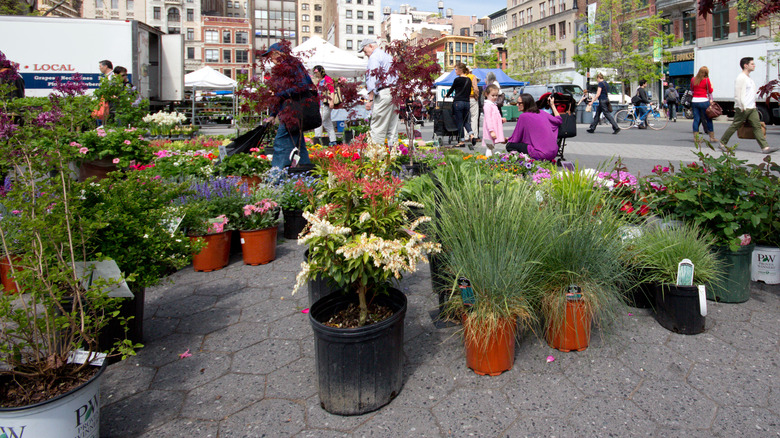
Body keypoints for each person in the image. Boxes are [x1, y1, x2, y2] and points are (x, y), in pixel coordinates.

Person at [261, 42, 318, 169]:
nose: (270, 59)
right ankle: (306, 176)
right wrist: (272, 115)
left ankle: (275, 178)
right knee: (299, 145)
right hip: (289, 112)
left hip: (293, 112)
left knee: (281, 144)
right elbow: (278, 96)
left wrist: (281, 94)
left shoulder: (292, 64)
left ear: (278, 53)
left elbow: (303, 85)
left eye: (271, 55)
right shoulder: (281, 69)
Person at [721, 57, 779, 154]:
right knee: (735, 125)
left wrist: (753, 105)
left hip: (751, 107)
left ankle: (765, 148)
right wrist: (741, 106)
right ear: (745, 65)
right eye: (752, 64)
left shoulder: (749, 78)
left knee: (757, 126)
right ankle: (722, 142)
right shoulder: (741, 78)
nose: (754, 65)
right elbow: (738, 94)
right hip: (743, 107)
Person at [360, 38, 399, 146]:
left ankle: (376, 157)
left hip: (384, 93)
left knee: (378, 127)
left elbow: (372, 79)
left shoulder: (374, 57)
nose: (365, 54)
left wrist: (370, 99)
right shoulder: (388, 56)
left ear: (371, 46)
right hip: (394, 92)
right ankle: (394, 156)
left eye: (365, 51)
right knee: (392, 127)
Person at [506, 93, 562, 162]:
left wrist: (507, 139)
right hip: (553, 152)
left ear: (526, 103)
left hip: (541, 154)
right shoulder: (541, 112)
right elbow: (559, 120)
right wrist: (552, 105)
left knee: (509, 145)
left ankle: (523, 164)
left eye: (519, 103)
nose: (517, 105)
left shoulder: (523, 116)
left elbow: (515, 138)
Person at [444, 63, 475, 149]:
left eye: (456, 69)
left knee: (460, 122)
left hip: (458, 102)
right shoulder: (469, 80)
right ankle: (471, 135)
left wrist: (447, 95)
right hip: (467, 102)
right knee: (466, 121)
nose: (455, 71)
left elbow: (452, 89)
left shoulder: (457, 80)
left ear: (460, 70)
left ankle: (461, 141)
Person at [690, 66, 718, 145]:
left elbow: (691, 89)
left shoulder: (693, 79)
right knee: (708, 118)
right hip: (704, 101)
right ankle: (711, 137)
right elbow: (710, 90)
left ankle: (696, 138)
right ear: (706, 73)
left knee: (696, 119)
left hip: (695, 101)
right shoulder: (706, 80)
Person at [312, 65, 337, 146]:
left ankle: (317, 139)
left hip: (326, 104)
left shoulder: (327, 79)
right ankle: (333, 141)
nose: (316, 74)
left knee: (319, 121)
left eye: (317, 72)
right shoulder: (320, 81)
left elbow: (332, 91)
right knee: (327, 123)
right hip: (322, 104)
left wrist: (331, 101)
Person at [481, 84, 506, 157]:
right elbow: (488, 119)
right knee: (490, 146)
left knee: (491, 146)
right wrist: (491, 131)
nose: (495, 97)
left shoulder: (492, 104)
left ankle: (490, 159)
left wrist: (501, 120)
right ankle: (488, 159)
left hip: (492, 129)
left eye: (496, 95)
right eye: (493, 95)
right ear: (486, 94)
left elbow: (494, 117)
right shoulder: (488, 105)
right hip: (490, 130)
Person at [466, 66, 480, 143]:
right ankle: (474, 135)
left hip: (464, 99)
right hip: (472, 98)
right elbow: (475, 88)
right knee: (474, 117)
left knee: (465, 118)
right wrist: (476, 96)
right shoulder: (472, 77)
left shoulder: (461, 77)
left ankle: (465, 136)